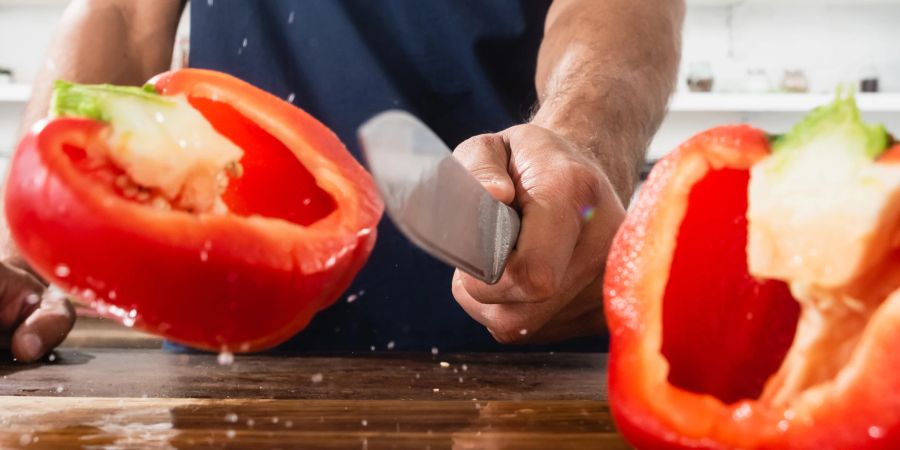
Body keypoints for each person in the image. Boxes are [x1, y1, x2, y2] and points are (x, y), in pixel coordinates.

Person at [2, 0, 684, 361]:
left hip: (526, 292)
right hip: (233, 334)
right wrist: (17, 253)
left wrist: (578, 139)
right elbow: (122, 12)